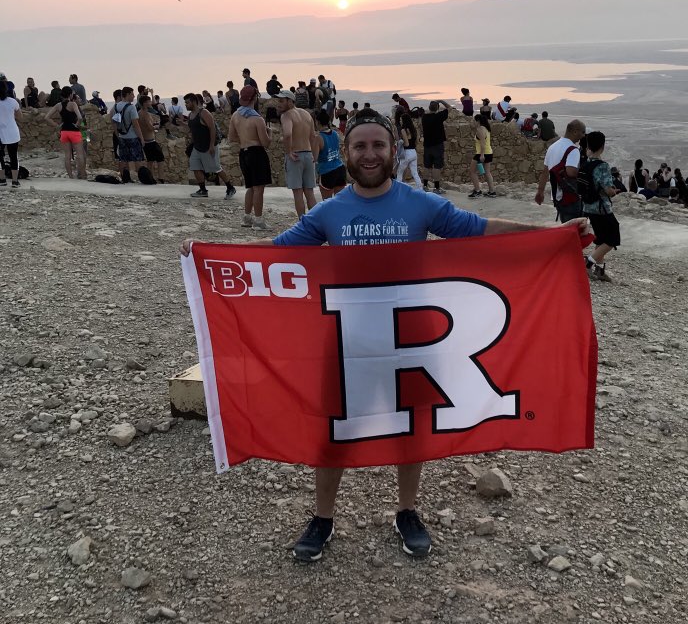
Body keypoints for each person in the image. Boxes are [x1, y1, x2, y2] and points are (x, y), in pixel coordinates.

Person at [181, 110, 591, 563]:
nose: (370, 154)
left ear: (393, 151)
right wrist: (206, 253)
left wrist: (553, 235)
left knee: (412, 430)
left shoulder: (420, 204)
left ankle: (407, 511)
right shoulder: (330, 211)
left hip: (414, 345)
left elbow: (483, 233)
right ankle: (322, 517)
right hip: (345, 346)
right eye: (360, 146)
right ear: (347, 153)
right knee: (331, 433)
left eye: (378, 145)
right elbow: (279, 253)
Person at [228, 85, 271, 227]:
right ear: (254, 98)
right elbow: (265, 143)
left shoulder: (235, 115)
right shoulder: (257, 119)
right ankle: (258, 220)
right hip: (256, 153)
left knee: (251, 187)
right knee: (259, 188)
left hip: (243, 153)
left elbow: (232, 137)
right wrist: (269, 134)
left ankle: (247, 218)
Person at [580, 131, 620, 282]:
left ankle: (600, 271)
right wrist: (614, 191)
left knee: (601, 239)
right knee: (612, 239)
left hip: (588, 208)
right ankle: (588, 263)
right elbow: (608, 190)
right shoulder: (602, 166)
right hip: (601, 208)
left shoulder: (585, 164)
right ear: (602, 147)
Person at [184, 93, 237, 199]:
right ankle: (203, 190)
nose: (186, 105)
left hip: (208, 147)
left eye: (187, 102)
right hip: (197, 147)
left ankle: (230, 187)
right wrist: (182, 124)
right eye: (185, 102)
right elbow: (192, 129)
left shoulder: (204, 112)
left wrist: (212, 145)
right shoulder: (191, 115)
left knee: (216, 168)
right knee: (195, 167)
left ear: (194, 102)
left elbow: (212, 128)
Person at [534, 119, 586, 222]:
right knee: (576, 231)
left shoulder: (552, 147)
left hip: (558, 198)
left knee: (566, 228)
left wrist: (540, 191)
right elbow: (571, 172)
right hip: (571, 198)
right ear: (575, 131)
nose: (584, 135)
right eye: (583, 132)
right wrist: (584, 174)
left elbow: (545, 172)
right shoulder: (573, 149)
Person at [277, 89, 318, 217]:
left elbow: (288, 134)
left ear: (290, 101)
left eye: (282, 101)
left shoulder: (286, 115)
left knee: (298, 192)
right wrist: (314, 156)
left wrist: (289, 152)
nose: (279, 103)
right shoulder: (306, 114)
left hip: (295, 156)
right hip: (308, 154)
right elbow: (313, 136)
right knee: (309, 192)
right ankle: (315, 222)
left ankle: (302, 223)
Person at [45, 85, 86, 179]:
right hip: (74, 131)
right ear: (70, 94)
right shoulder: (73, 104)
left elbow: (46, 117)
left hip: (64, 132)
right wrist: (77, 124)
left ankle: (71, 177)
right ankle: (82, 175)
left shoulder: (58, 105)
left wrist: (57, 126)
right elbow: (80, 117)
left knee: (67, 155)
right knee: (80, 155)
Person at [113, 86, 146, 182]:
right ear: (127, 95)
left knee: (123, 159)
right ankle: (142, 179)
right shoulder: (131, 107)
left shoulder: (116, 106)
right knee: (137, 159)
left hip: (122, 137)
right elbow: (136, 125)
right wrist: (142, 138)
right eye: (132, 94)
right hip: (133, 137)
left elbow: (114, 122)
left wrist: (117, 134)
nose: (134, 96)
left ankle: (124, 178)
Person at [420, 99, 450, 193]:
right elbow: (449, 108)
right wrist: (441, 101)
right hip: (437, 145)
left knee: (426, 166)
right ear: (437, 109)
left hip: (427, 145)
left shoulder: (424, 117)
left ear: (429, 108)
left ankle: (425, 186)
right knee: (437, 167)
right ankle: (436, 188)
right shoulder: (439, 116)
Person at [315, 109, 346, 199]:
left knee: (327, 203)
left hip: (327, 171)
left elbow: (315, 157)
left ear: (317, 122)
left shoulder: (318, 138)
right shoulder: (335, 134)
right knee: (339, 201)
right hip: (340, 169)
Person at [137, 95, 166, 182]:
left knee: (150, 160)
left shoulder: (139, 113)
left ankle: (151, 178)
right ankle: (161, 178)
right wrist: (157, 126)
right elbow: (150, 127)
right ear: (145, 103)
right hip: (150, 141)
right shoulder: (145, 114)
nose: (150, 103)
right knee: (160, 159)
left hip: (146, 141)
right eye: (149, 101)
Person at [0, 79, 22, 189]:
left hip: (0, 134)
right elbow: (20, 117)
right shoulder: (13, 102)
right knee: (14, 157)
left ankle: (2, 179)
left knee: (0, 158)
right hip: (12, 132)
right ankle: (15, 181)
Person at [469, 114, 495, 198]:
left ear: (478, 121)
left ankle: (477, 191)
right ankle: (492, 191)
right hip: (489, 152)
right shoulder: (486, 128)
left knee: (472, 171)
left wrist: (482, 155)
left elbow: (483, 143)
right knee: (487, 172)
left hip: (481, 153)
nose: (473, 122)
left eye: (474, 120)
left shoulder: (480, 129)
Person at [395, 111, 423, 190]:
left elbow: (406, 144)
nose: (400, 121)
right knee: (415, 173)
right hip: (414, 152)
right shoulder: (414, 129)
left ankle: (397, 190)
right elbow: (417, 142)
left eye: (401, 120)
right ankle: (420, 190)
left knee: (399, 172)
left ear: (404, 120)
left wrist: (400, 143)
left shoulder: (404, 130)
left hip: (407, 153)